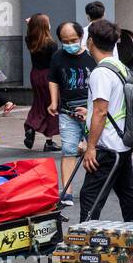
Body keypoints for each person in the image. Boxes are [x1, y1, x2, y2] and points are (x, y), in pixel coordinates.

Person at [78, 19, 133, 224]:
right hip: (122, 142)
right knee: (126, 191)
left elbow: (101, 111)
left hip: (107, 146)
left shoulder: (101, 72)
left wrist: (91, 147)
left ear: (90, 42)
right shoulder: (120, 66)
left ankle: (85, 238)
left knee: (90, 196)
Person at [48, 20, 94, 208]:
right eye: (65, 41)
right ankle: (66, 191)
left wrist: (92, 112)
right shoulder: (58, 56)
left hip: (91, 112)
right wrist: (53, 101)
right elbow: (53, 79)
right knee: (68, 150)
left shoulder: (92, 57)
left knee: (96, 149)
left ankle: (95, 189)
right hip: (67, 112)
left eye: (73, 40)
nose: (69, 44)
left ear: (81, 37)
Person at [23, 13, 60, 151]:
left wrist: (30, 25)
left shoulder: (30, 40)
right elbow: (54, 65)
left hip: (35, 75)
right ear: (45, 26)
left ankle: (31, 126)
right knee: (51, 106)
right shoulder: (51, 44)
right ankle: (49, 142)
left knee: (38, 103)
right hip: (48, 77)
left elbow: (31, 32)